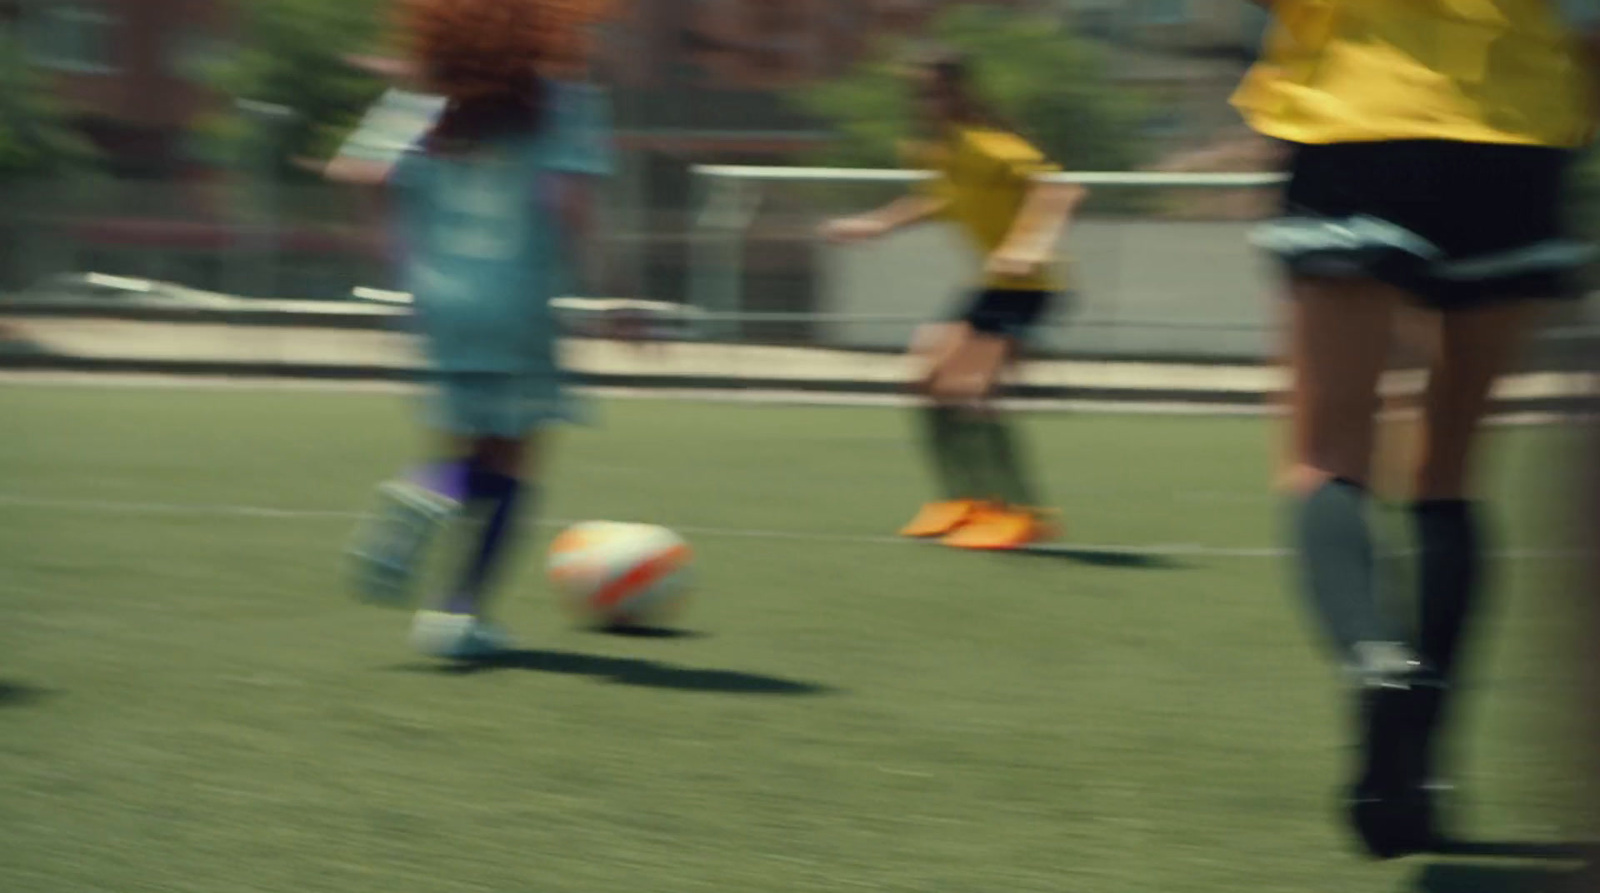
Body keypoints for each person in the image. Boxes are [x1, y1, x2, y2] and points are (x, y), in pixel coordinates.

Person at [1236, 0, 1599, 859]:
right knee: (1448, 471)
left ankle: (1373, 656)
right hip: (1521, 138)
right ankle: (1415, 779)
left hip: (1357, 120)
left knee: (1325, 454)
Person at [332, 0, 614, 660]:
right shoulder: (560, 100)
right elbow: (573, 207)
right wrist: (615, 292)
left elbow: (358, 171)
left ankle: (424, 493)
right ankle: (458, 611)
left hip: (439, 301)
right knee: (513, 456)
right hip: (518, 301)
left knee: (466, 444)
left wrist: (401, 251)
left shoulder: (424, 97)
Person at [821, 53, 1085, 551]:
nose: (929, 102)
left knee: (969, 389)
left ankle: (1022, 512)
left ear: (961, 92)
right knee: (925, 379)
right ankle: (962, 503)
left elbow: (1061, 190)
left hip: (1031, 289)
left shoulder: (990, 144)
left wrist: (1031, 244)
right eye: (921, 93)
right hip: (992, 285)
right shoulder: (939, 151)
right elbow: (940, 200)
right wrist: (877, 224)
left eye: (938, 91)